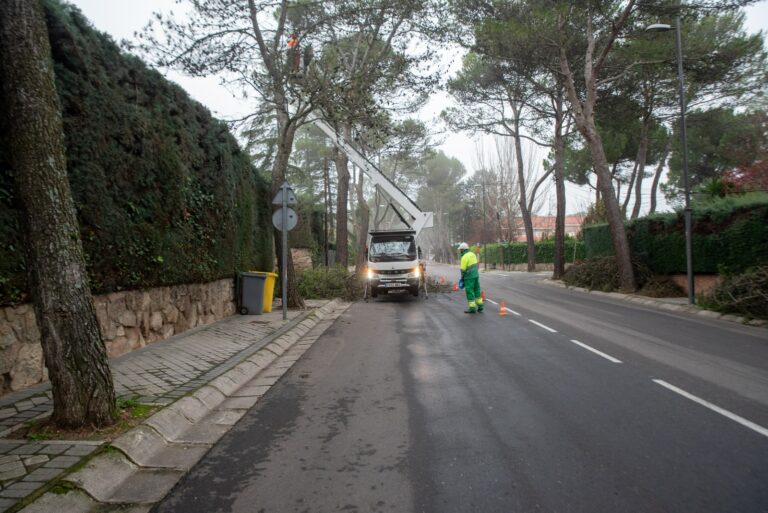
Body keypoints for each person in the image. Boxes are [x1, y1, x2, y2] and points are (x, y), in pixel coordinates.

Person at [458, 242, 483, 314]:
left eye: (460, 250)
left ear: (463, 250)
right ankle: (480, 306)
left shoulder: (464, 257)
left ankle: (472, 308)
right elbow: (476, 265)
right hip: (476, 275)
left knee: (470, 291)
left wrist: (462, 278)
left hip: (469, 277)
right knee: (477, 290)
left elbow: (463, 270)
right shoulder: (473, 254)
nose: (460, 251)